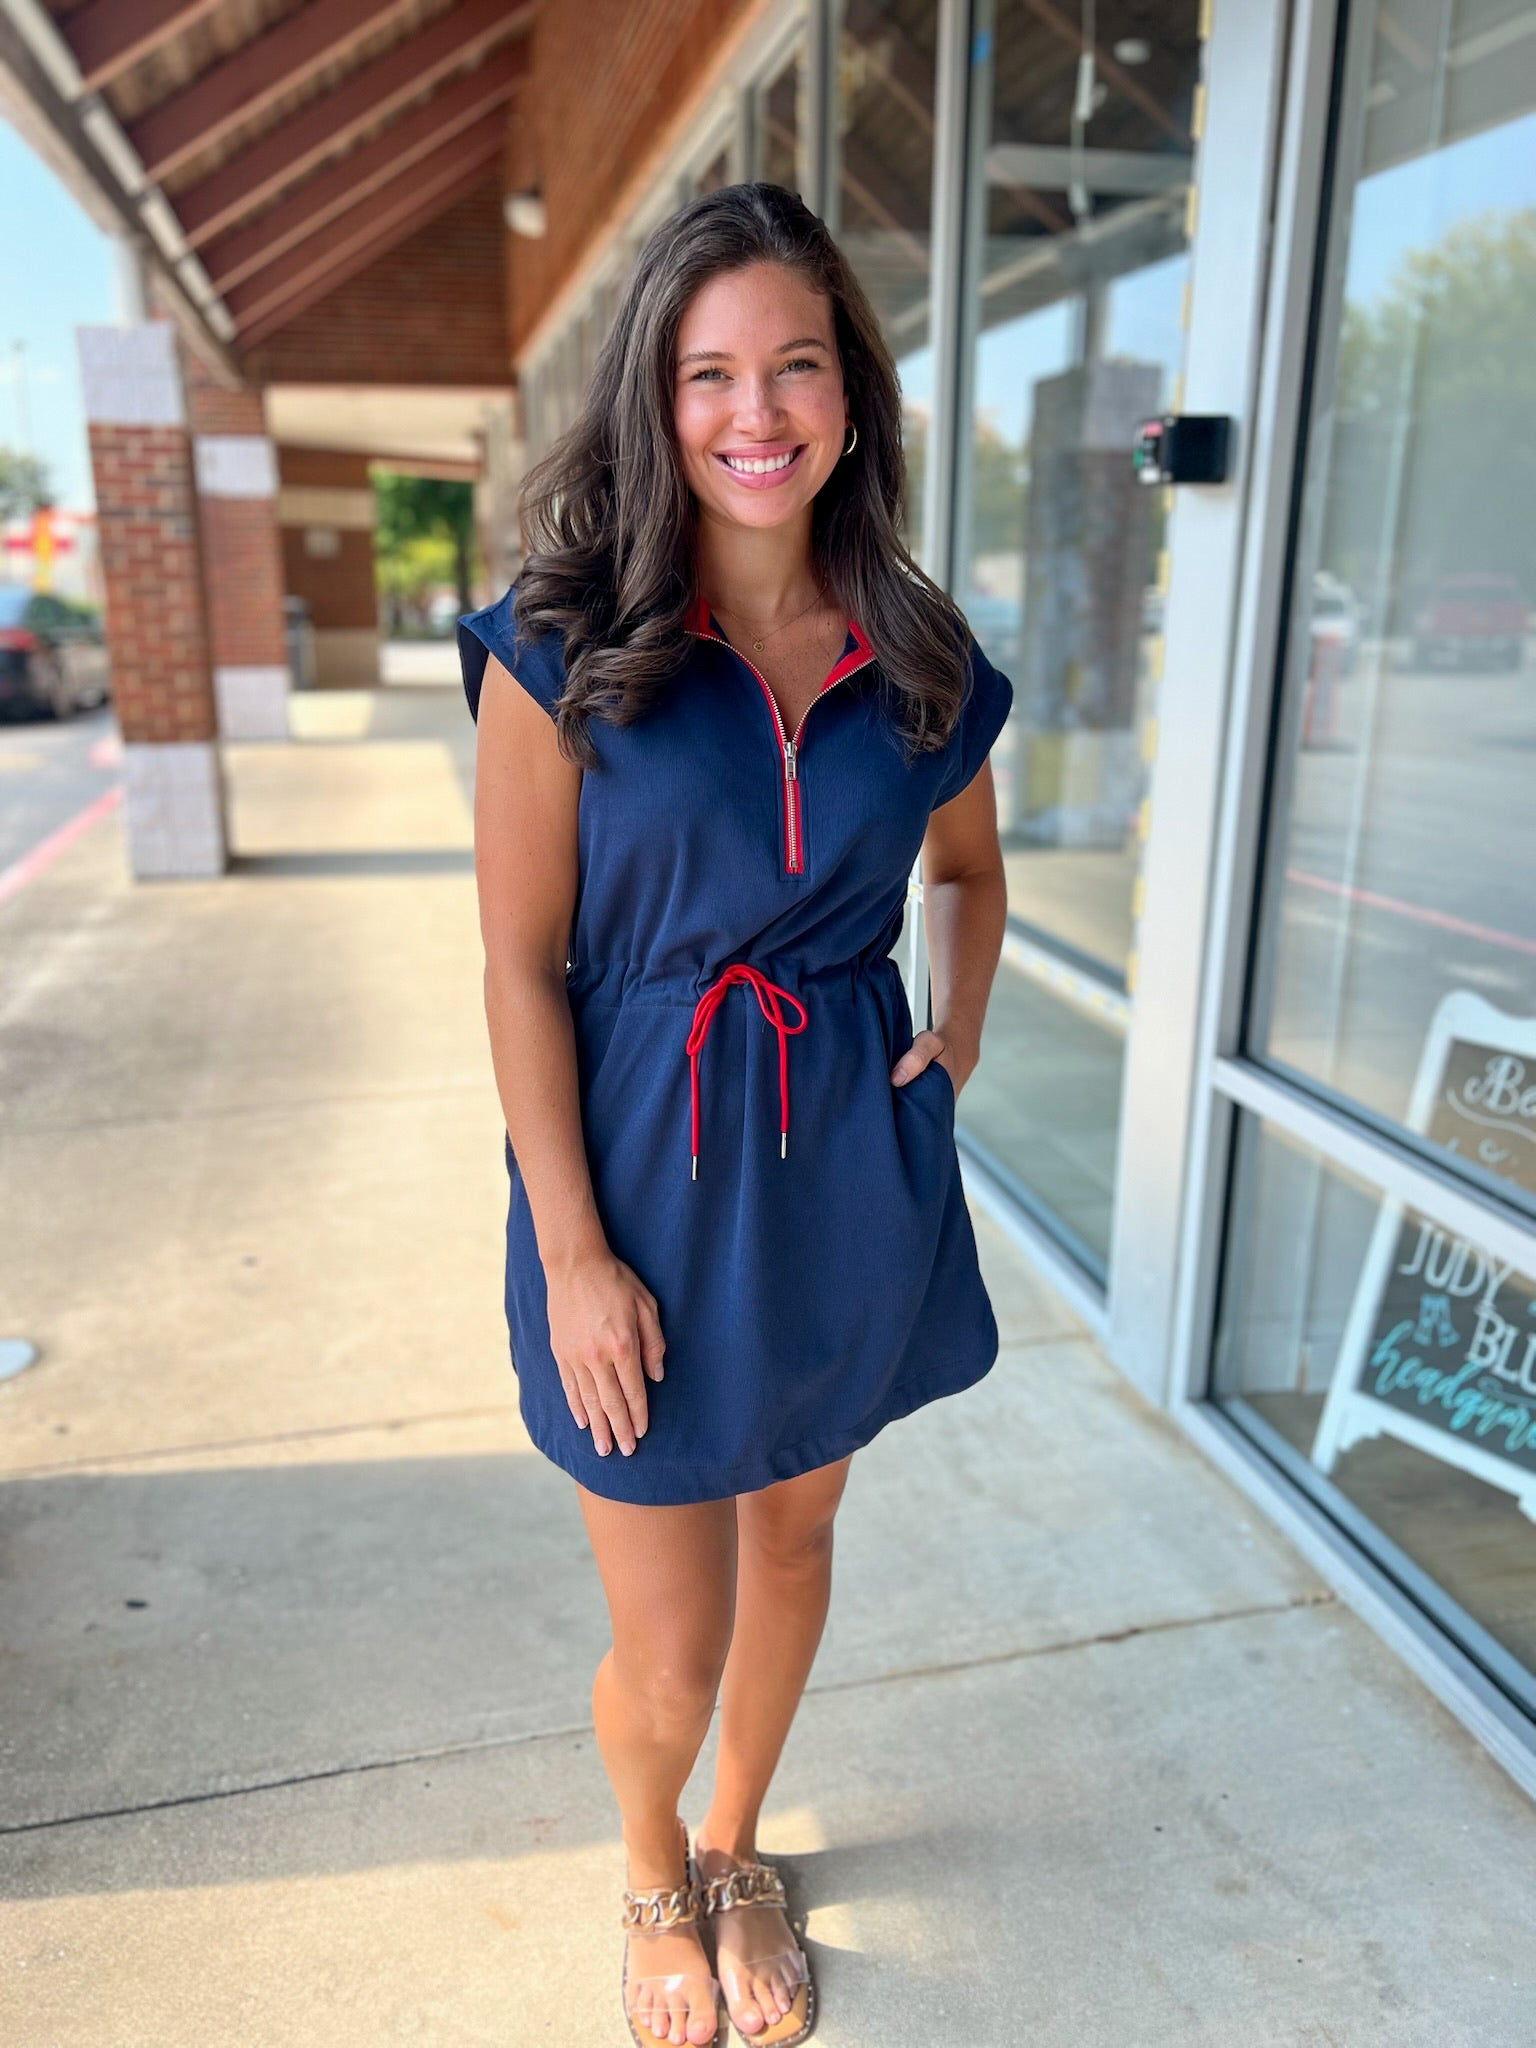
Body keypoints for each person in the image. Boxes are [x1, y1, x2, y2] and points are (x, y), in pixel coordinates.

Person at [458, 182, 1012, 2048]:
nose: (754, 413)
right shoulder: (563, 646)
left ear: (852, 389)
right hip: (638, 1184)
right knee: (669, 1633)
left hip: (843, 1166)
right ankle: (648, 1866)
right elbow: (521, 969)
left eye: (795, 364)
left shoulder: (918, 651)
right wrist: (573, 1255)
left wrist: (960, 1027)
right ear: (660, 397)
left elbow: (973, 876)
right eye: (711, 374)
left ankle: (738, 1841)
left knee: (797, 1539)